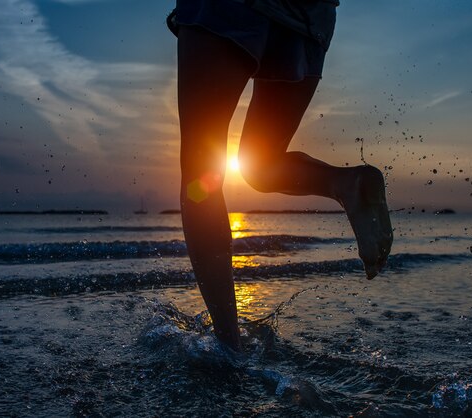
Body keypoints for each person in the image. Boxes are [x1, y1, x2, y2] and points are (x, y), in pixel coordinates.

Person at [168, 0, 393, 351]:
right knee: (261, 165)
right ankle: (347, 184)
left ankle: (228, 345)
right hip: (308, 14)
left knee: (200, 170)